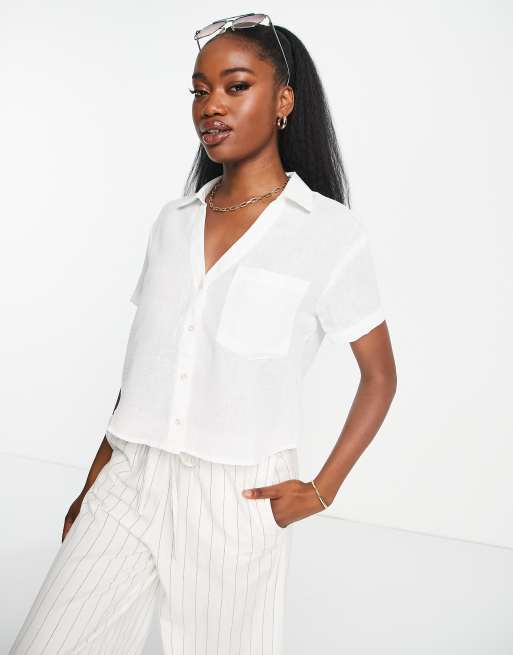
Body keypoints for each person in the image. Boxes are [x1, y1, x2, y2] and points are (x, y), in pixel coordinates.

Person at [9, 13, 397, 655]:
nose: (211, 105)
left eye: (235, 86)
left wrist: (322, 490)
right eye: (199, 90)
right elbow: (143, 373)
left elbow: (379, 376)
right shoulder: (173, 221)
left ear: (284, 101)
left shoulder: (329, 233)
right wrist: (91, 486)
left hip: (237, 499)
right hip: (129, 479)